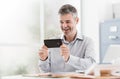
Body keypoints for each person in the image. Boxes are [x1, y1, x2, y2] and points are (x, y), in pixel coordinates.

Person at [38, 4, 96, 73]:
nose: (64, 25)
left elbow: (91, 65)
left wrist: (69, 58)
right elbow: (45, 71)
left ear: (76, 20)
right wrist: (43, 59)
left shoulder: (87, 42)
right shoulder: (52, 43)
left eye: (68, 22)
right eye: (61, 22)